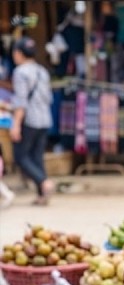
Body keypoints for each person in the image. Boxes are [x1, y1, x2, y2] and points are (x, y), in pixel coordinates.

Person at [9, 36, 54, 205]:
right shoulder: (42, 71)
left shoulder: (20, 72)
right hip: (45, 118)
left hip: (30, 119)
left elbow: (21, 101)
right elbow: (48, 98)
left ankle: (44, 182)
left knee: (21, 156)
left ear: (19, 53)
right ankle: (42, 194)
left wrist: (16, 125)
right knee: (37, 156)